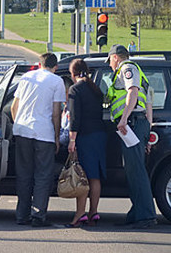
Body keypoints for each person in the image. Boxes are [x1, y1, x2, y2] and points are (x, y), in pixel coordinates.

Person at [11, 53, 66, 227]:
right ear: (55, 67)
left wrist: (18, 124)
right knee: (43, 176)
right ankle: (38, 215)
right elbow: (56, 112)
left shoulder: (26, 77)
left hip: (22, 131)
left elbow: (14, 106)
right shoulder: (56, 81)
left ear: (39, 64)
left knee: (24, 174)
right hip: (44, 133)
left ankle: (22, 215)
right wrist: (57, 137)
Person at [106, 44, 157, 229]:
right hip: (139, 124)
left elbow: (132, 92)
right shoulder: (140, 73)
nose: (110, 65)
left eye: (110, 60)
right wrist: (148, 132)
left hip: (132, 123)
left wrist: (124, 119)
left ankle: (145, 216)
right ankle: (137, 214)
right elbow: (149, 103)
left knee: (136, 172)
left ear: (116, 58)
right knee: (134, 170)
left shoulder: (127, 68)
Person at [65, 59, 106, 228]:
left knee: (82, 176)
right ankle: (93, 212)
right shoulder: (95, 89)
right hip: (100, 135)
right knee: (95, 176)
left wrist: (72, 140)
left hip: (85, 136)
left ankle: (79, 214)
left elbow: (75, 118)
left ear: (73, 74)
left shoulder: (75, 89)